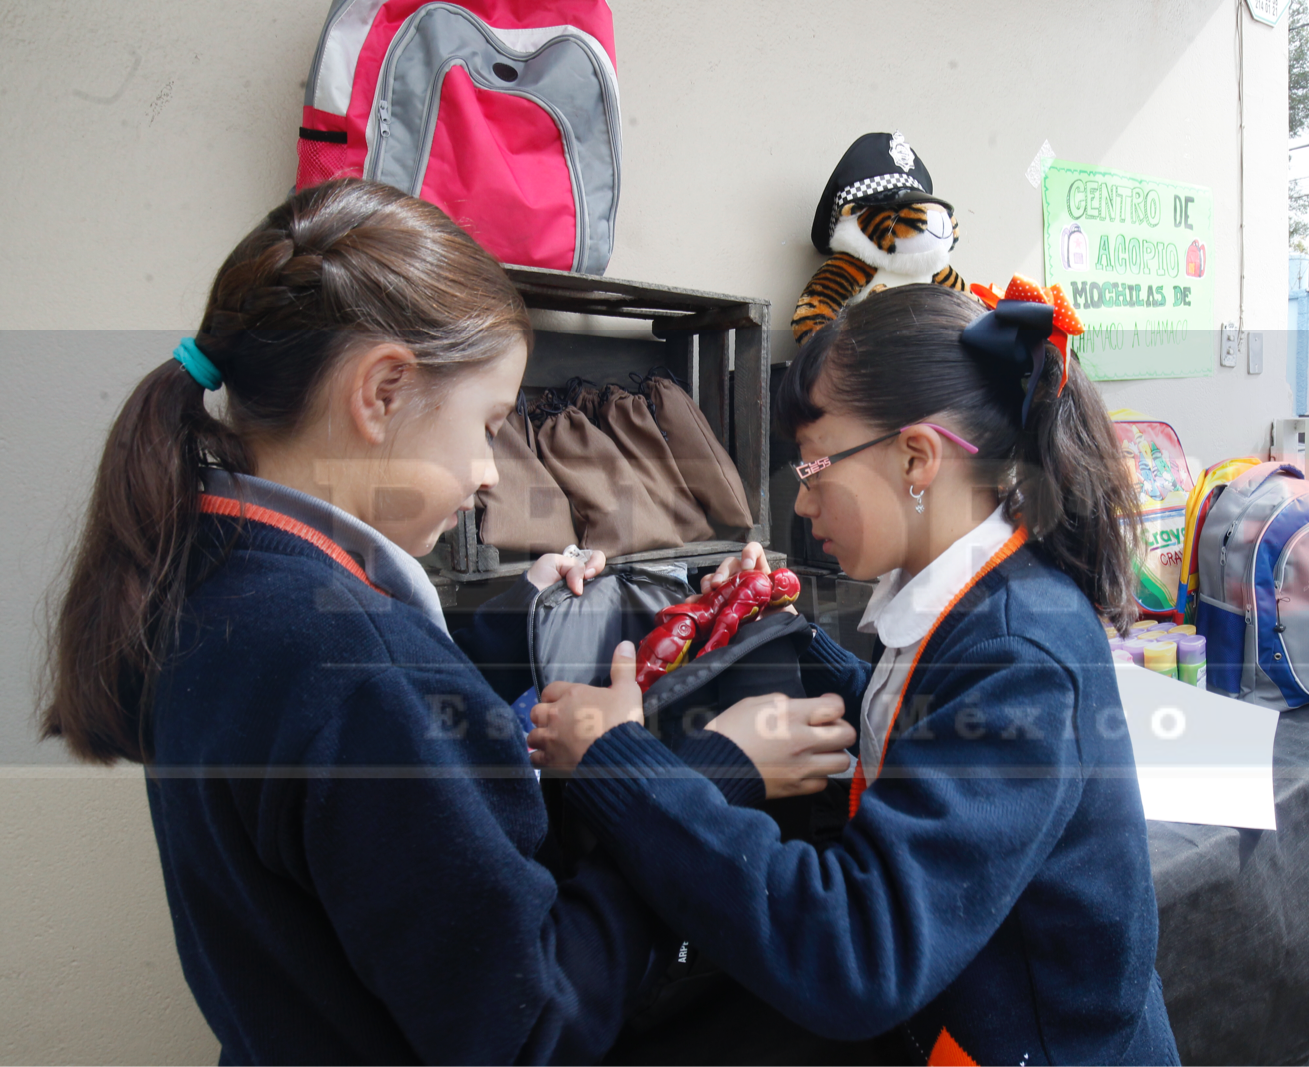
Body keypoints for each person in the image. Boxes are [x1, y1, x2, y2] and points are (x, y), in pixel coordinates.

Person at [38, 178, 848, 1066]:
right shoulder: (361, 664)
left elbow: (379, 839)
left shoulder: (213, 577)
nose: (490, 472)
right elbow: (533, 1026)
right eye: (490, 425)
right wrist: (707, 776)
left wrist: (517, 624)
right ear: (383, 390)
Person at [531, 284, 1182, 1066]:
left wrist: (614, 758)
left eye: (813, 466)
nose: (801, 502)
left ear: (917, 458)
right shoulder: (969, 598)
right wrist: (769, 629)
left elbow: (855, 954)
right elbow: (917, 717)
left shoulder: (1019, 653)